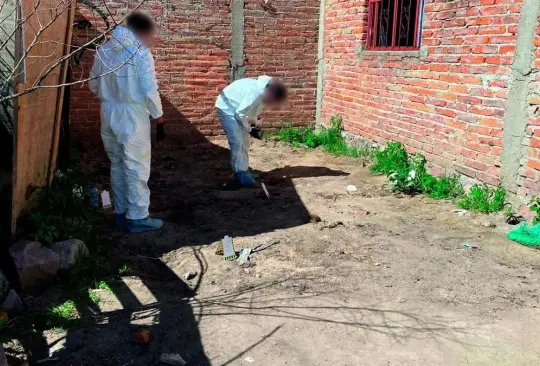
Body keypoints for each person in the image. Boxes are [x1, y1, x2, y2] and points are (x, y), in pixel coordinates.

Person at [89, 12, 165, 233]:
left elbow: (93, 85)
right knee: (137, 166)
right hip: (132, 113)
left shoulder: (103, 51)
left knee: (118, 163)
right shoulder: (139, 54)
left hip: (108, 110)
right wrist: (158, 115)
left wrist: (109, 96)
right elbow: (149, 90)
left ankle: (121, 211)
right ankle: (138, 216)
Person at [215, 76, 287, 187]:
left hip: (238, 110)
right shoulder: (255, 93)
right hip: (227, 108)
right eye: (274, 99)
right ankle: (240, 174)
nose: (273, 103)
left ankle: (244, 170)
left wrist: (254, 123)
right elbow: (239, 114)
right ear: (271, 93)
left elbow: (251, 111)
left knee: (245, 142)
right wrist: (249, 129)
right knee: (237, 141)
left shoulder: (265, 94)